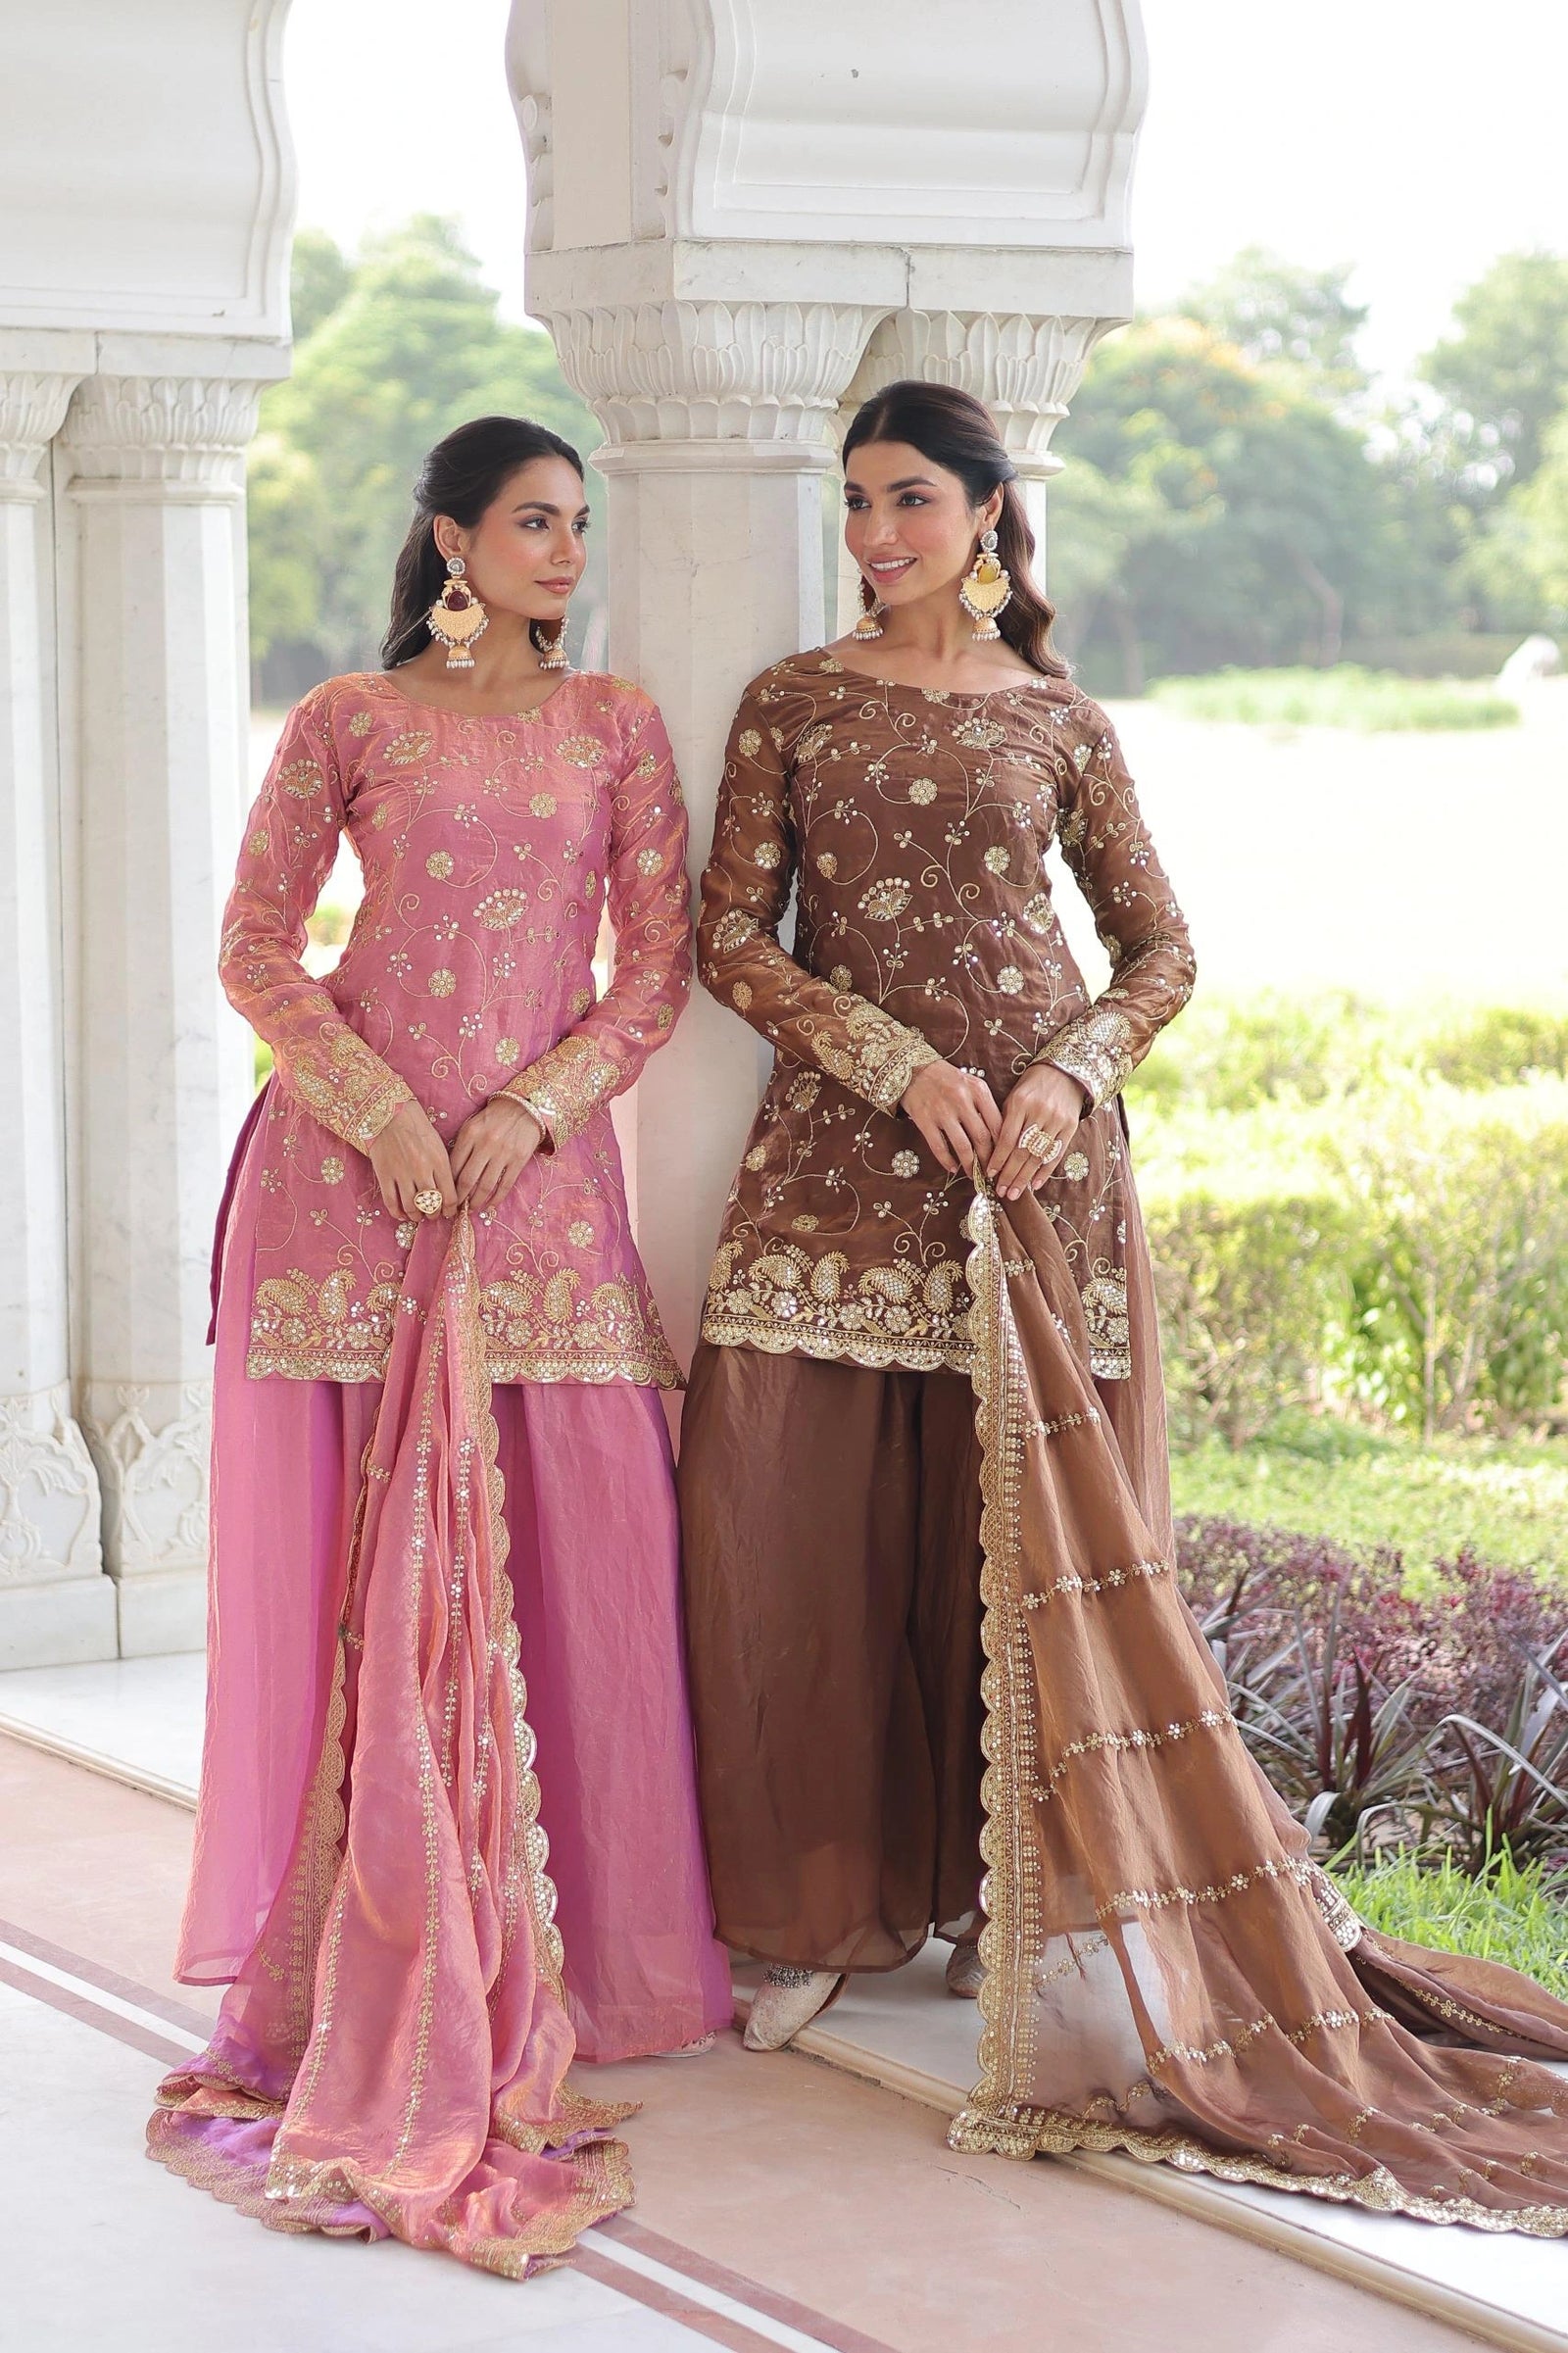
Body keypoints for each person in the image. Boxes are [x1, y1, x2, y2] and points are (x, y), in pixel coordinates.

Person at [678, 379, 1568, 2230]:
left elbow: (1160, 946)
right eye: (856, 502)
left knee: (1013, 1546)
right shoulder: (794, 701)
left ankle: (1024, 1906)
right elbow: (732, 938)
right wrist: (886, 1056)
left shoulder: (1062, 722)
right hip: (846, 1170)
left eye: (909, 499)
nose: (874, 535)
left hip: (1038, 1171)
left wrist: (1073, 1073)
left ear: (991, 510)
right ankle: (830, 1903)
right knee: (804, 1544)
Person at [149, 417, 730, 2275]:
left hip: (537, 1185)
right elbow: (254, 944)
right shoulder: (346, 719)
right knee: (348, 1574)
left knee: (592, 1547)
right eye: (537, 524)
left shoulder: (614, 723)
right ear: (452, 543)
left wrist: (536, 1106)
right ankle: (368, 1950)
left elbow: (655, 966)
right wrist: (382, 1110)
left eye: (581, 524)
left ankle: (595, 1961)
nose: (569, 551)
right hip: (353, 1188)